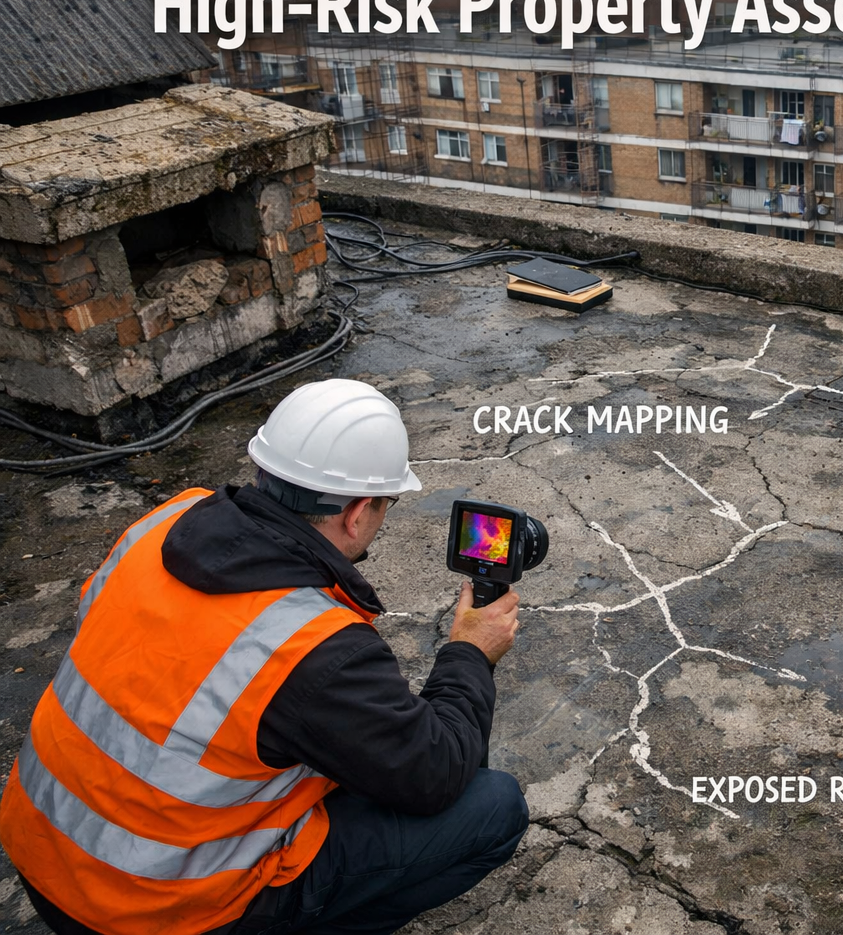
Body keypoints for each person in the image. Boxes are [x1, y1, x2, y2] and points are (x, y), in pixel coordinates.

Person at [1, 378, 528, 935]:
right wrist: (469, 652)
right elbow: (435, 774)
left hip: (40, 853)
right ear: (357, 514)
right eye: (385, 505)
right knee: (492, 807)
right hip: (153, 911)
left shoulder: (164, 523)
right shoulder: (311, 646)